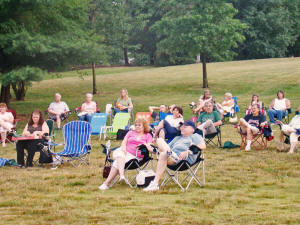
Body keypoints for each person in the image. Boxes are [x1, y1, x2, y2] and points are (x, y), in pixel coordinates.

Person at [143, 120, 206, 191]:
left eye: (185, 127)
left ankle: (155, 183)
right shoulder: (177, 138)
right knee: (161, 143)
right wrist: (150, 148)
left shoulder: (195, 136)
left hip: (182, 160)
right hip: (171, 156)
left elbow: (203, 146)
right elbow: (166, 147)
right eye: (182, 126)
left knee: (162, 148)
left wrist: (188, 151)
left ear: (192, 129)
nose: (182, 128)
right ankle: (155, 183)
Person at [99, 118, 153, 190]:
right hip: (124, 151)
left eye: (139, 125)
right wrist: (124, 148)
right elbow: (124, 142)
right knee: (120, 153)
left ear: (144, 126)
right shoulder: (131, 132)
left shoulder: (148, 135)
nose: (137, 126)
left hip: (135, 157)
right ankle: (121, 176)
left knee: (116, 162)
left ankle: (107, 183)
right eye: (136, 125)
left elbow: (149, 146)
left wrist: (144, 144)